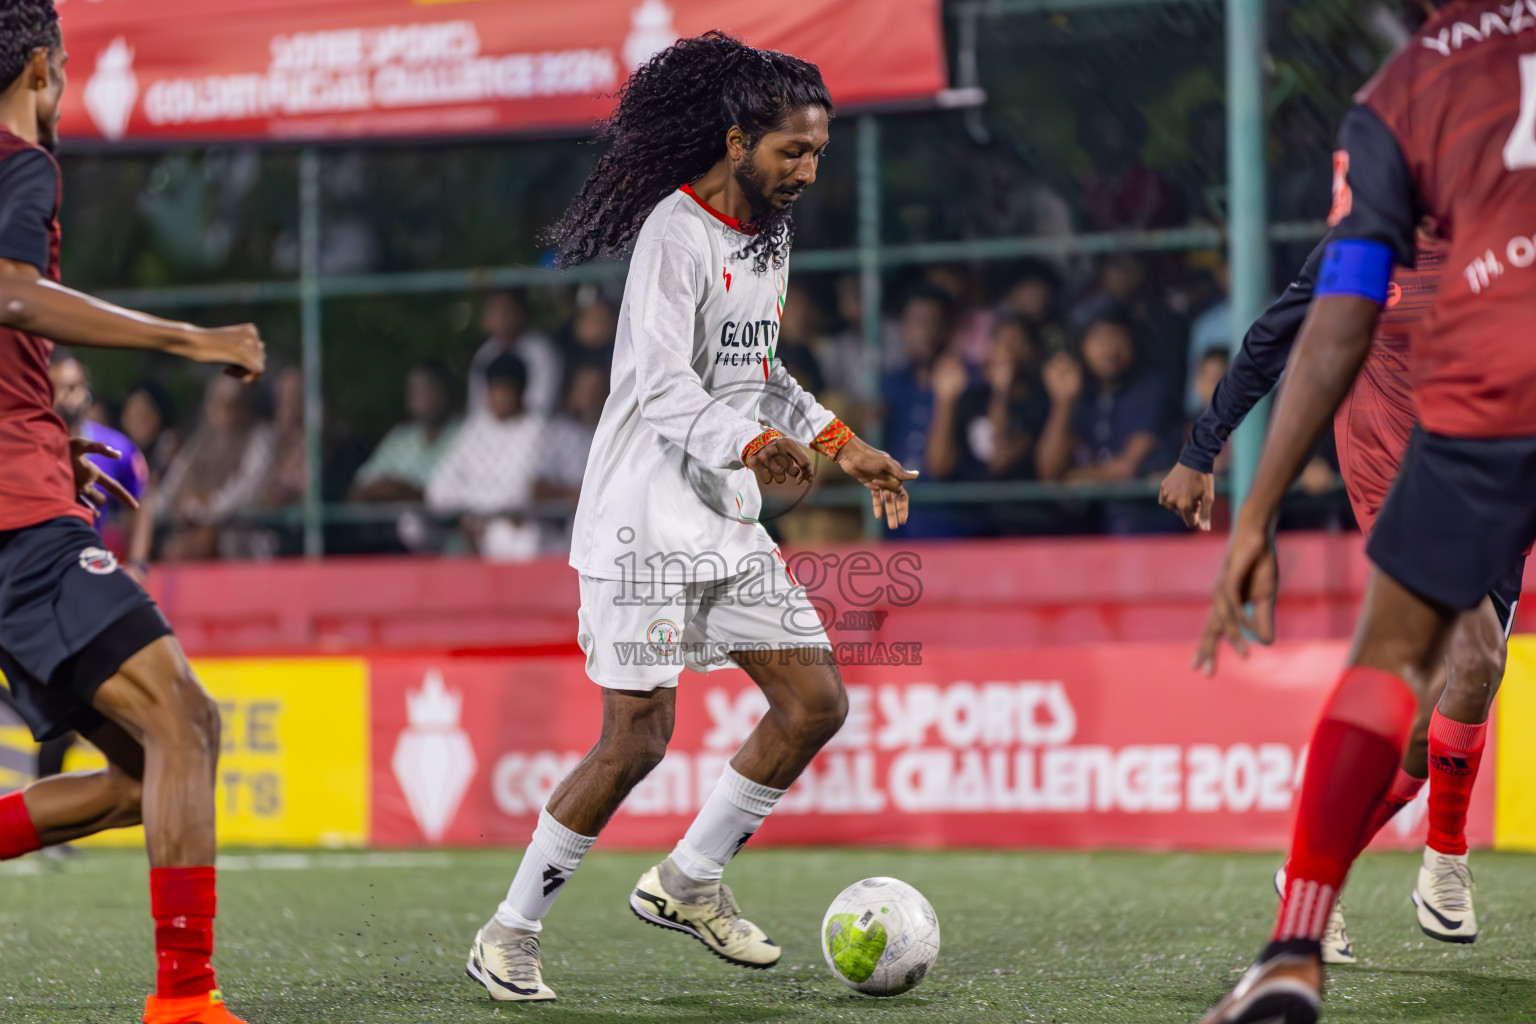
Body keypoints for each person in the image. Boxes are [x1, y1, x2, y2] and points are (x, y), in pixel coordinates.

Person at [462, 32, 915, 1004]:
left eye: (819, 153)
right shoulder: (676, 231)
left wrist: (844, 444)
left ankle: (687, 878)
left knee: (815, 703)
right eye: (792, 150)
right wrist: (748, 444)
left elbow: (759, 370)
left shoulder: (769, 233)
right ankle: (508, 933)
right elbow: (662, 385)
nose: (807, 169)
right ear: (738, 136)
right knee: (635, 739)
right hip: (642, 524)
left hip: (723, 522)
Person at [1193, 4, 1528, 1021]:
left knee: (1430, 674)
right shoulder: (1395, 103)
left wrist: (1255, 514)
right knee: (1467, 668)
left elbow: (1340, 303)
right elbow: (1318, 310)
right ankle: (1322, 922)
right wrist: (1218, 462)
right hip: (1456, 416)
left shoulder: (1402, 97)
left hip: (1482, 392)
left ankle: (1311, 930)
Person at [0, 9, 266, 1024]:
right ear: (41, 68)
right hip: (23, 524)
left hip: (26, 496)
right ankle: (186, 1003)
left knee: (143, 772)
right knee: (188, 722)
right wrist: (192, 340)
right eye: (62, 73)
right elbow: (16, 298)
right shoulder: (21, 164)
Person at [426, 352, 546, 560]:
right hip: (467, 521)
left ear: (521, 391)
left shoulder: (537, 430)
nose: (499, 396)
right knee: (412, 524)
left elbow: (520, 490)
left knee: (518, 539)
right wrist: (466, 516)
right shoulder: (474, 429)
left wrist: (483, 513)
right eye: (494, 389)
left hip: (511, 525)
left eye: (506, 389)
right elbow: (439, 488)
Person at [50, 350, 152, 576]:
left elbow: (141, 501)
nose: (65, 398)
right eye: (54, 388)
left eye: (73, 387)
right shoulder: (22, 448)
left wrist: (138, 564)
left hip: (89, 567)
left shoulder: (115, 448)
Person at [158, 375, 273, 561]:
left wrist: (206, 508)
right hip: (194, 531)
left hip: (239, 536)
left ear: (245, 407)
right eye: (219, 403)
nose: (225, 411)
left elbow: (248, 487)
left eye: (233, 404)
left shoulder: (259, 437)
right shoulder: (200, 442)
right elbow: (169, 490)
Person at [350, 361, 461, 503]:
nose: (420, 398)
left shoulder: (466, 435)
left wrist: (403, 491)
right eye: (414, 391)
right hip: (392, 521)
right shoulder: (399, 438)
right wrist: (388, 490)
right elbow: (361, 487)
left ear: (446, 391)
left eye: (427, 389)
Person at [468, 290, 561, 418]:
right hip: (492, 428)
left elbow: (542, 405)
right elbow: (476, 406)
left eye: (504, 312)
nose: (498, 318)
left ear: (520, 313)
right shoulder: (484, 354)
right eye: (492, 311)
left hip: (534, 427)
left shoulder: (540, 350)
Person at [121, 379, 180, 481]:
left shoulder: (165, 453)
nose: (137, 419)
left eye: (146, 414)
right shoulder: (118, 450)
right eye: (134, 410)